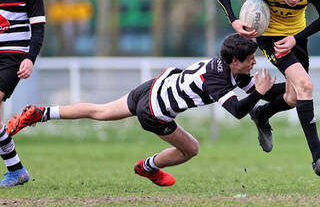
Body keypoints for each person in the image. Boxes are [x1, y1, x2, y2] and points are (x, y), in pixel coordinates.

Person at [6, 34, 276, 186]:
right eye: (251, 59)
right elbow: (240, 111)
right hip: (154, 111)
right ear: (235, 61)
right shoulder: (217, 79)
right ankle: (148, 167)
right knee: (191, 149)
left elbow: (255, 90)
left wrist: (293, 90)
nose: (255, 62)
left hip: (152, 87)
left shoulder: (230, 67)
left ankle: (41, 113)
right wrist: (261, 93)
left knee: (100, 112)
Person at [213, 0, 320, 176]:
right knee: (305, 86)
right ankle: (318, 158)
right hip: (271, 39)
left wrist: (296, 38)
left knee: (293, 98)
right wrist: (233, 20)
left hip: (296, 38)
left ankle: (261, 114)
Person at [0, 0, 46, 187]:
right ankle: (16, 170)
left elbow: (39, 26)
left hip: (13, 57)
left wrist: (30, 58)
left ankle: (17, 171)